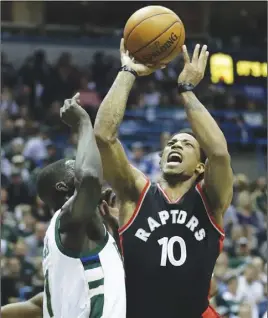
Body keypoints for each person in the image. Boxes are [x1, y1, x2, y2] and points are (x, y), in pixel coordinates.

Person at [94, 40, 233, 318]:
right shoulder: (136, 193)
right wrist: (127, 72)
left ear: (200, 169)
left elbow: (218, 152)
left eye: (187, 144)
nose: (176, 146)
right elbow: (104, 136)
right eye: (171, 143)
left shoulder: (211, 199)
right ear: (160, 158)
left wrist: (187, 90)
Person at [1, 93, 125, 318]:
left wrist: (116, 232)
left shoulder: (62, 241)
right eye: (73, 166)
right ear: (62, 187)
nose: (80, 164)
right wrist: (83, 123)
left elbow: (41, 305)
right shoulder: (69, 221)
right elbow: (88, 179)